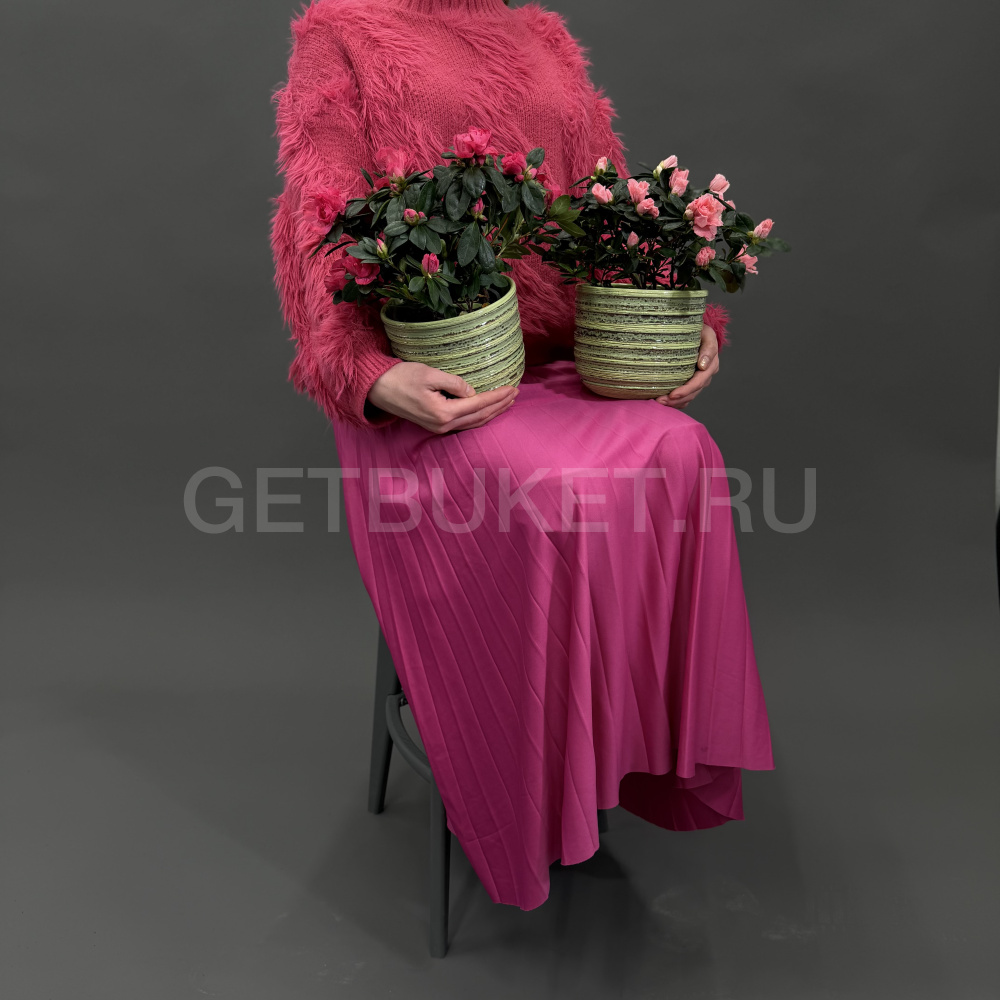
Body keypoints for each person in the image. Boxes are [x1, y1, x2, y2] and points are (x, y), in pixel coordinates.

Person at [270, 0, 774, 911]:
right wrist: (367, 374)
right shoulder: (342, 32)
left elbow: (607, 202)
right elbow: (320, 218)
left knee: (682, 449)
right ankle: (529, 786)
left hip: (560, 366)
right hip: (433, 386)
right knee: (547, 493)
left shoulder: (541, 37)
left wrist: (678, 315)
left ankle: (617, 754)